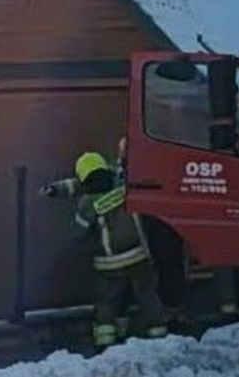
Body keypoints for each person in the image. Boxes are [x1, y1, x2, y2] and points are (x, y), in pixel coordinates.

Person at [40, 150, 168, 350]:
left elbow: (78, 234)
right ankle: (160, 334)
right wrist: (59, 188)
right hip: (138, 256)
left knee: (107, 303)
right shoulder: (122, 183)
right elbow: (86, 181)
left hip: (109, 265)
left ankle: (106, 344)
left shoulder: (87, 204)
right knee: (147, 295)